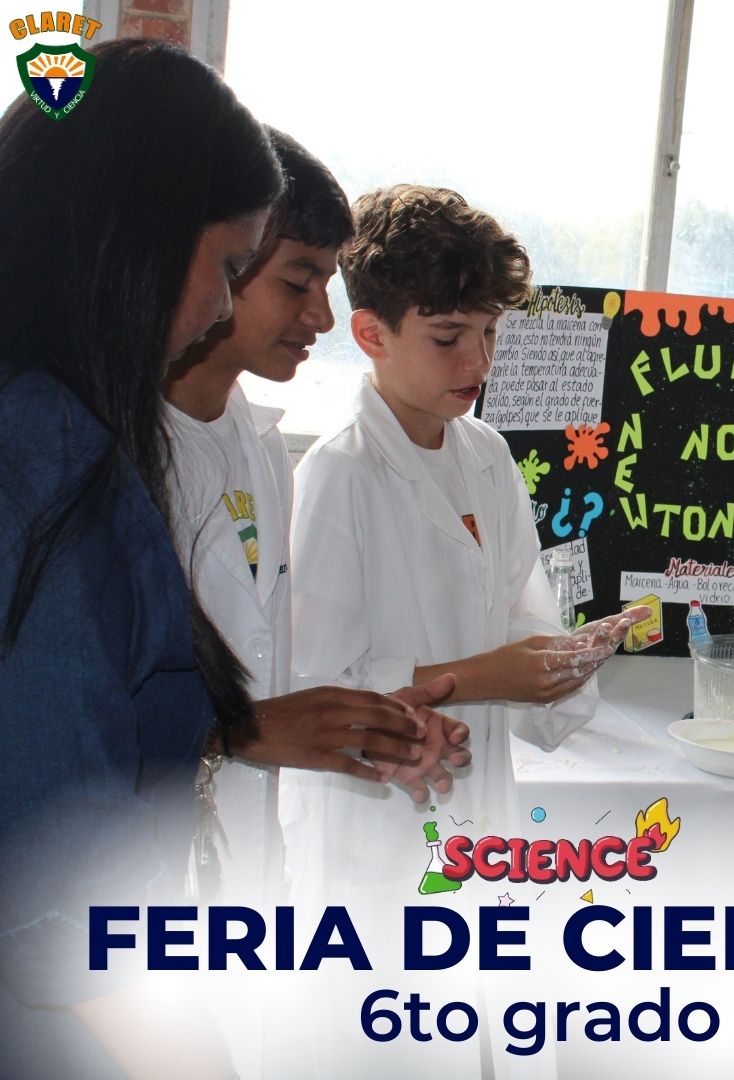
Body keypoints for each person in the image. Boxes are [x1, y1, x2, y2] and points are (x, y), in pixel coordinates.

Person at [0, 42, 418, 1079]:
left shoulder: (62, 432)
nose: (222, 308)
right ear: (134, 240)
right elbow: (58, 903)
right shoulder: (48, 463)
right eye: (232, 268)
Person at [280, 184, 645, 901]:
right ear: (371, 335)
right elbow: (320, 691)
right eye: (448, 338)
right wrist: (487, 677)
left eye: (490, 334)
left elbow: (519, 620)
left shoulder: (486, 455)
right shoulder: (339, 472)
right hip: (372, 820)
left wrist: (563, 661)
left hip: (477, 806)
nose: (477, 363)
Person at [163, 131, 470, 914]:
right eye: (297, 281)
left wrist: (370, 727)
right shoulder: (117, 451)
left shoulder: (259, 445)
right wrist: (245, 731)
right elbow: (79, 709)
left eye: (327, 283)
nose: (321, 316)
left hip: (244, 865)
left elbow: (265, 668)